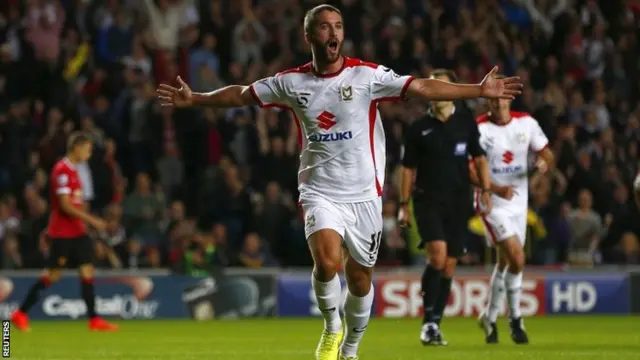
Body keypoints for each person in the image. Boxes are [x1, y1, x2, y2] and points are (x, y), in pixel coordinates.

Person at [156, 5, 522, 359]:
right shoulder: (292, 82)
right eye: (324, 26)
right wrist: (198, 99)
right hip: (319, 190)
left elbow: (424, 88)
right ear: (309, 35)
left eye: (338, 26)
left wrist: (478, 90)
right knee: (327, 263)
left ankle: (350, 349)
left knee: (360, 278)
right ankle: (332, 327)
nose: (333, 33)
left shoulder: (366, 76)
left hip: (364, 195)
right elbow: (243, 94)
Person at [397, 69, 493, 346]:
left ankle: (434, 324)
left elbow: (480, 158)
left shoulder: (465, 124)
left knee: (450, 265)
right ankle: (427, 320)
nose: (436, 90)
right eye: (432, 84)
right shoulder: (418, 129)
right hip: (428, 200)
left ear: (452, 91)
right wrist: (403, 204)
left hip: (459, 201)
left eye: (442, 85)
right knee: (437, 257)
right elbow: (407, 169)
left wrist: (485, 190)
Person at [11, 132, 118, 332]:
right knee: (53, 275)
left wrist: (85, 223)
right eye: (87, 149)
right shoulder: (62, 170)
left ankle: (94, 320)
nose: (89, 153)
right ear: (76, 147)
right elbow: (65, 206)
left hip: (77, 232)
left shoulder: (73, 170)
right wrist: (93, 220)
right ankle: (20, 313)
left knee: (87, 271)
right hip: (63, 234)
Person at [471, 85, 554, 344]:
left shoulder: (526, 123)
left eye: (502, 99)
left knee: (507, 261)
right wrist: (494, 188)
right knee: (518, 257)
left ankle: (489, 317)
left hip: (519, 203)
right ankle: (516, 320)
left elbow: (547, 154)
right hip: (491, 202)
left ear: (509, 99)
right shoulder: (478, 128)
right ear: (488, 102)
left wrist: (542, 166)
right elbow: (469, 169)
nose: (497, 103)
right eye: (492, 99)